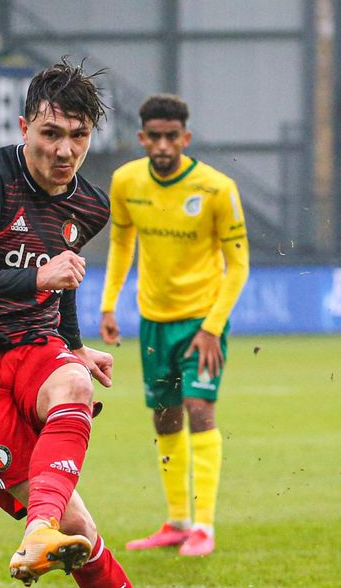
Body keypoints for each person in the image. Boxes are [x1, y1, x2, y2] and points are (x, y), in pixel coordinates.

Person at [0, 62, 249, 588]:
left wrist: (73, 346)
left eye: (77, 134)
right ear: (24, 128)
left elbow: (63, 270)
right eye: (49, 133)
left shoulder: (86, 204)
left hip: (33, 346)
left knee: (75, 383)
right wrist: (33, 279)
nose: (63, 150)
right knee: (83, 531)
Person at [99, 95, 250, 557]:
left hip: (202, 321)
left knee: (199, 409)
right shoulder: (126, 181)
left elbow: (238, 265)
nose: (163, 145)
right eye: (154, 137)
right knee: (164, 415)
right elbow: (123, 243)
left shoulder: (216, 188)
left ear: (186, 138)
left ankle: (204, 526)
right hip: (153, 321)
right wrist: (108, 305)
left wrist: (213, 326)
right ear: (142, 138)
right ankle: (178, 520)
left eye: (172, 137)